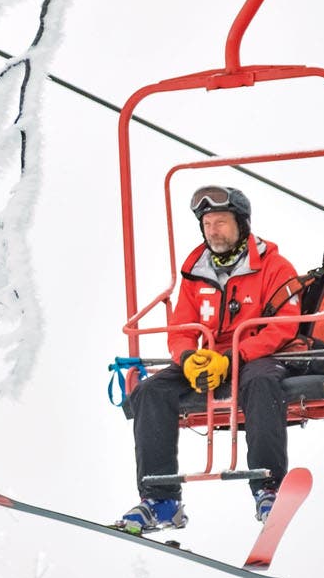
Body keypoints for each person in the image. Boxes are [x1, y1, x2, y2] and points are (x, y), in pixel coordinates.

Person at [116, 183, 303, 536]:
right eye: (207, 224)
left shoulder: (274, 267)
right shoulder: (195, 272)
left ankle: (268, 489)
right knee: (150, 391)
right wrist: (188, 358)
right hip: (210, 357)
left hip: (259, 355)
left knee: (261, 383)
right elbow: (181, 328)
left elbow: (284, 326)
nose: (213, 231)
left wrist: (233, 358)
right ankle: (161, 501)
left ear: (241, 224)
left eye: (220, 222)